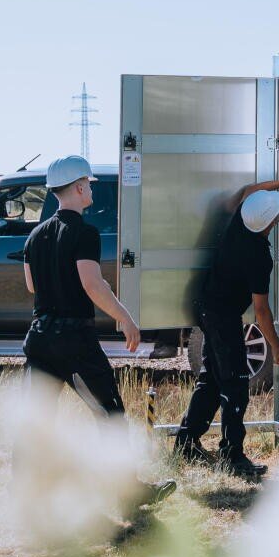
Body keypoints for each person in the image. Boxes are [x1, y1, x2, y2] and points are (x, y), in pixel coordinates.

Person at [23, 155, 174, 505]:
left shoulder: (35, 235)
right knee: (110, 413)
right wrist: (125, 317)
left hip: (39, 338)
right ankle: (127, 492)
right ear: (78, 187)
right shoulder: (84, 232)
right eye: (89, 184)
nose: (91, 188)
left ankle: (30, 495)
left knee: (36, 421)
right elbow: (92, 284)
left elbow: (32, 286)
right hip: (74, 339)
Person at [173, 167, 279, 477]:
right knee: (235, 385)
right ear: (270, 223)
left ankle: (186, 443)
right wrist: (277, 348)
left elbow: (247, 191)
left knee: (212, 381)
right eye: (277, 216)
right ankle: (232, 456)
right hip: (222, 317)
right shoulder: (259, 256)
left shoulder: (238, 222)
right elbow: (261, 312)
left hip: (206, 308)